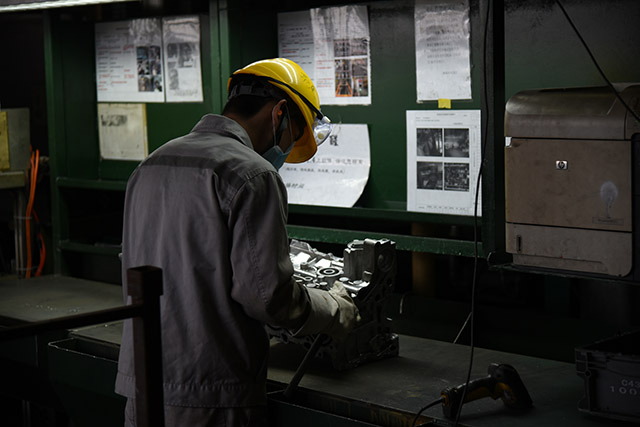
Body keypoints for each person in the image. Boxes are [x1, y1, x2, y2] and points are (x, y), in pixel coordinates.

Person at [115, 58, 359, 427]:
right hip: (211, 396)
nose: (286, 151)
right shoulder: (253, 173)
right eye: (293, 137)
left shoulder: (151, 164)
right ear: (279, 113)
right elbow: (267, 299)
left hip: (142, 386)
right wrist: (333, 309)